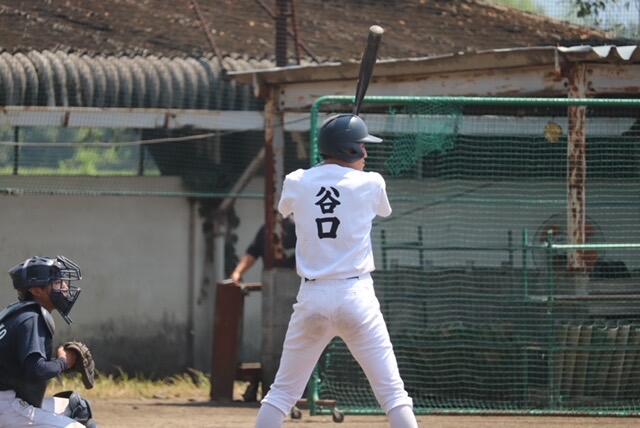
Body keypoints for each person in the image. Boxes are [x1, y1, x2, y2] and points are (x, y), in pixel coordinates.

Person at [254, 114, 418, 427]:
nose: (365, 153)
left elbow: (285, 208)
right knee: (393, 394)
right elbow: (382, 209)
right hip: (356, 296)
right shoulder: (372, 182)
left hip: (313, 296)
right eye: (361, 146)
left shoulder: (297, 180)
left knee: (282, 393)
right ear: (349, 149)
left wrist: (322, 174)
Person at [0, 255, 96, 428]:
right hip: (7, 407)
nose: (65, 287)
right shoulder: (31, 318)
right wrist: (64, 362)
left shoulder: (17, 314)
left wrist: (58, 364)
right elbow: (37, 370)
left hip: (9, 402)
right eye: (57, 282)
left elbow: (25, 370)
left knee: (77, 407)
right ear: (37, 290)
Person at [230, 216, 296, 284]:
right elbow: (252, 253)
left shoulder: (296, 228)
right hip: (270, 282)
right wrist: (237, 273)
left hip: (294, 283)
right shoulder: (266, 229)